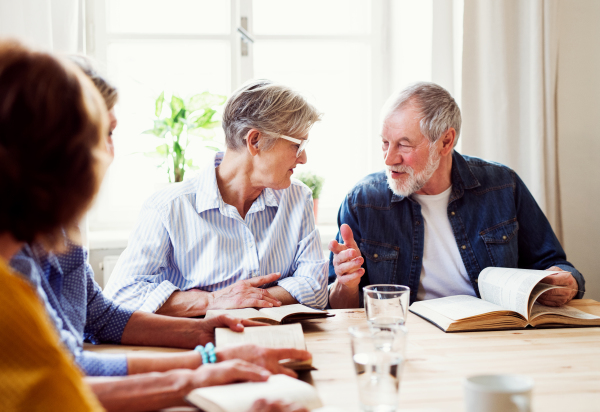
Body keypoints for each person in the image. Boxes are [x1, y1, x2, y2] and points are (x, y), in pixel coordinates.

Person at [0, 41, 307, 412]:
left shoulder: (53, 232)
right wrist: (201, 370)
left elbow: (99, 315)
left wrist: (199, 335)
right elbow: (66, 373)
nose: (109, 153)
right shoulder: (10, 276)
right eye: (103, 134)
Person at [328, 82, 584, 309]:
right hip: (410, 338)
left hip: (497, 333)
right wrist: (346, 284)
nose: (389, 158)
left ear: (445, 142)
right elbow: (338, 309)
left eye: (404, 144)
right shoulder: (362, 202)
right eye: (385, 142)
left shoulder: (502, 185)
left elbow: (554, 264)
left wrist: (567, 281)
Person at [104, 79, 328, 316]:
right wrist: (212, 301)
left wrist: (245, 299)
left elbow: (315, 288)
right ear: (255, 141)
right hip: (198, 346)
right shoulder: (167, 208)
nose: (303, 159)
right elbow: (121, 295)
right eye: (298, 145)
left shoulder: (298, 197)